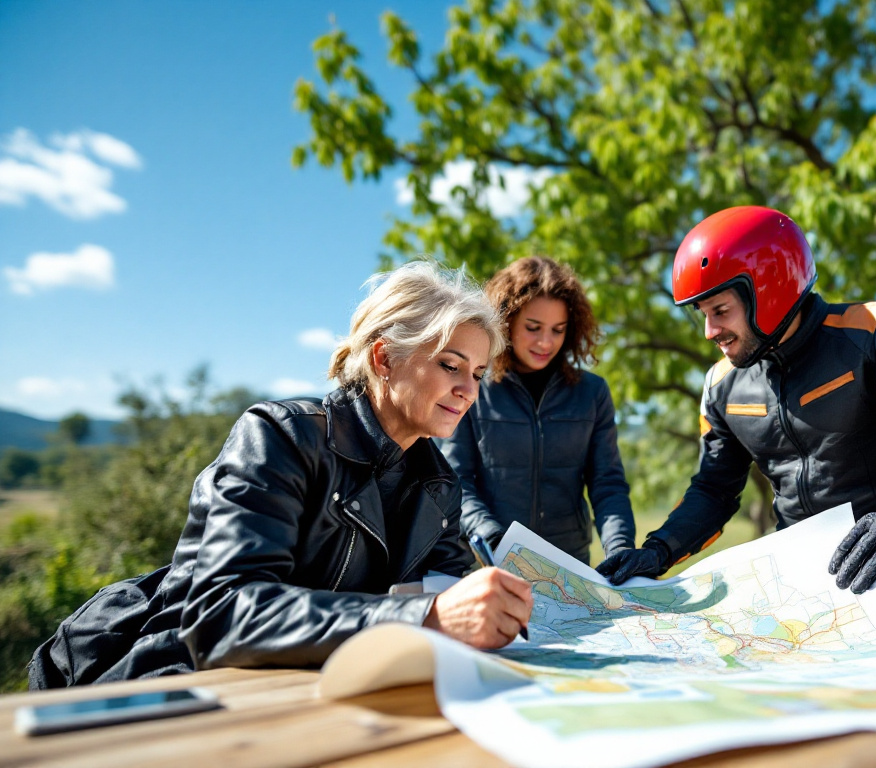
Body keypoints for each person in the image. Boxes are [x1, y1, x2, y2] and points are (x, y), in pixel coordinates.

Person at [29, 262, 534, 689]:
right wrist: (426, 617)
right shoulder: (282, 437)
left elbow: (448, 601)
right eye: (451, 365)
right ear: (384, 358)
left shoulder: (438, 484)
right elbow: (222, 615)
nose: (468, 390)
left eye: (477, 374)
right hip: (185, 689)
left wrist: (493, 611)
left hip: (319, 692)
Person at [596, 206, 876, 618]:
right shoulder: (721, 384)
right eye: (703, 315)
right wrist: (658, 550)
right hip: (797, 584)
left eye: (720, 311)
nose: (710, 332)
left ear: (769, 290)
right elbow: (714, 491)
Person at [443, 256, 635, 565]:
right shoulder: (473, 387)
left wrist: (620, 548)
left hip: (570, 565)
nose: (545, 342)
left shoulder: (593, 393)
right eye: (533, 328)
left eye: (558, 330)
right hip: (492, 563)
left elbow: (607, 483)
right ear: (506, 322)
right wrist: (493, 538)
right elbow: (456, 480)